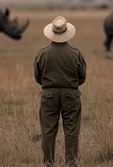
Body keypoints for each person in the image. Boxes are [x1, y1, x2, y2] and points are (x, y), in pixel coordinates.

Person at [34, 16, 87, 167]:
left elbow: (37, 76)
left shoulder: (42, 53)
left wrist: (49, 87)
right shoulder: (75, 53)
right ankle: (71, 163)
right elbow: (82, 77)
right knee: (71, 130)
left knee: (48, 130)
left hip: (48, 94)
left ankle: (48, 163)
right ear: (66, 32)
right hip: (71, 94)